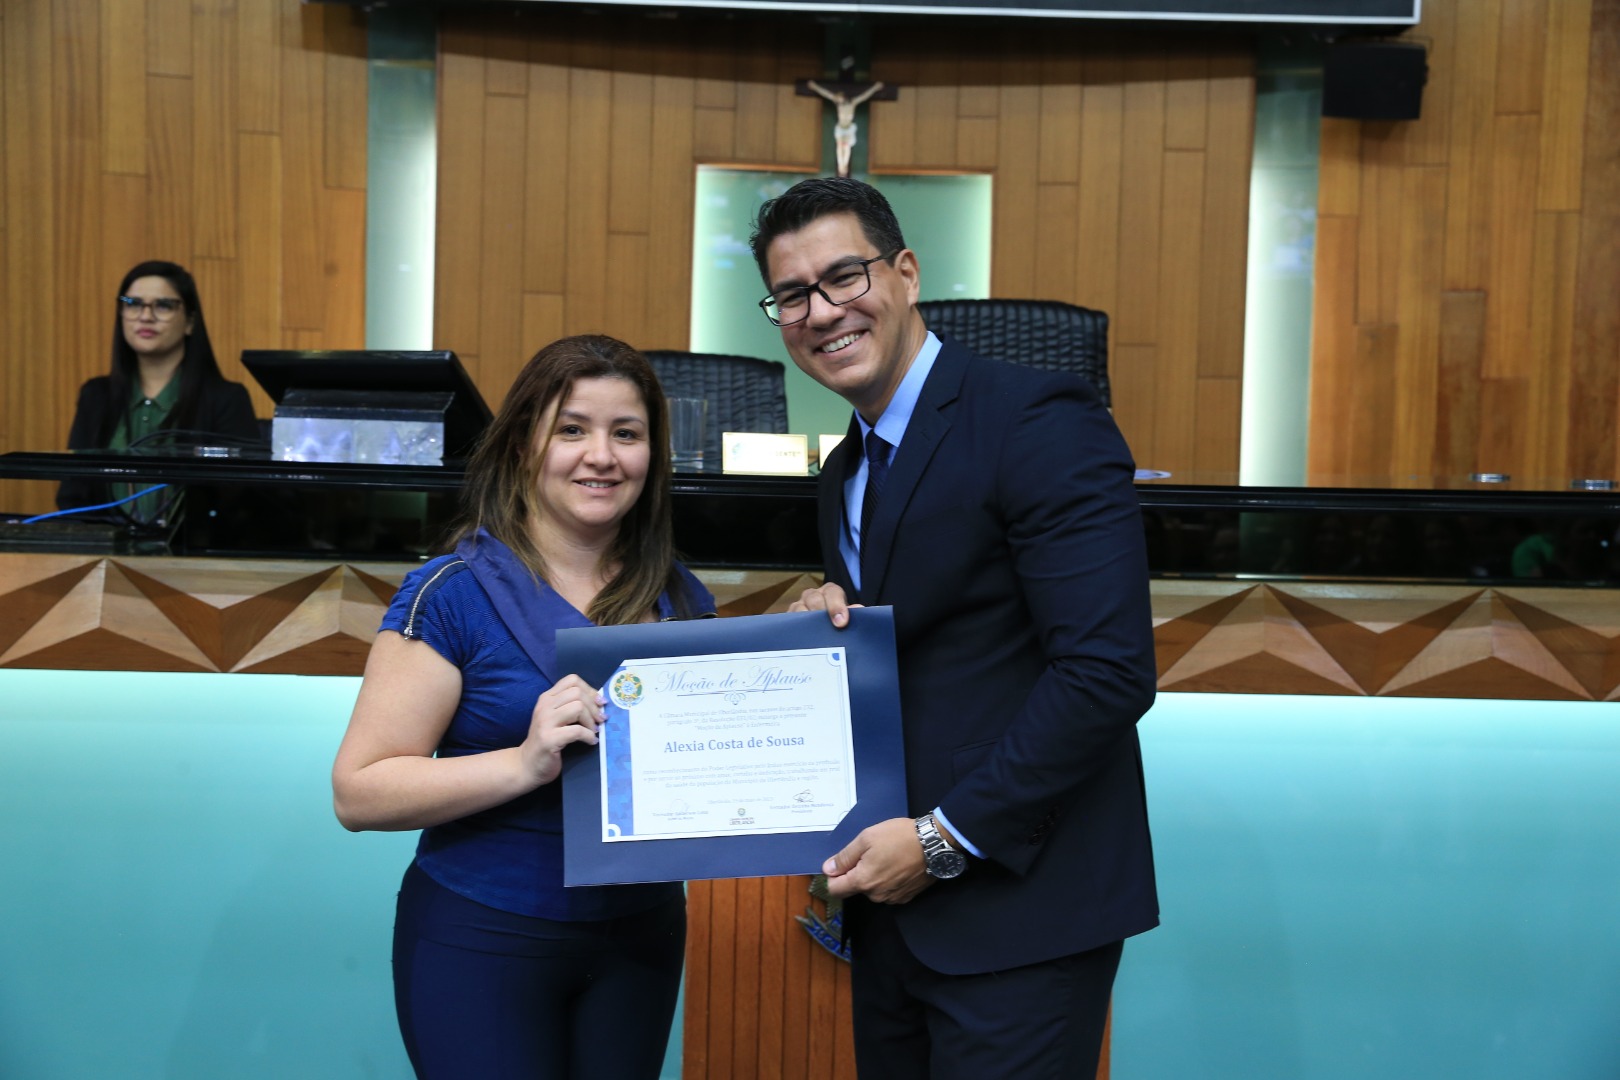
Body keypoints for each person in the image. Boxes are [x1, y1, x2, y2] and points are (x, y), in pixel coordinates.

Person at [750, 177, 1158, 1078]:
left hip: (1021, 909)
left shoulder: (1037, 418)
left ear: (905, 273)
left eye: (844, 277)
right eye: (792, 295)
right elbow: (934, 652)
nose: (822, 311)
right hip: (893, 918)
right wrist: (824, 639)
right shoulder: (846, 468)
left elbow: (1106, 672)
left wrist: (943, 840)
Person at [331, 335, 714, 1080]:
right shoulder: (454, 593)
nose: (601, 456)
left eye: (626, 433)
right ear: (521, 446)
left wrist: (811, 646)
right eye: (571, 429)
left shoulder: (679, 597)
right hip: (481, 937)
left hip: (641, 939)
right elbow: (358, 792)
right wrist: (523, 763)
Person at [57, 260, 260, 513]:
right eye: (133, 304)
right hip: (105, 538)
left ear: (190, 321)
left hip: (194, 539)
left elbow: (241, 501)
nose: (145, 316)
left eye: (163, 305)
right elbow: (73, 496)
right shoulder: (96, 396)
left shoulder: (226, 399)